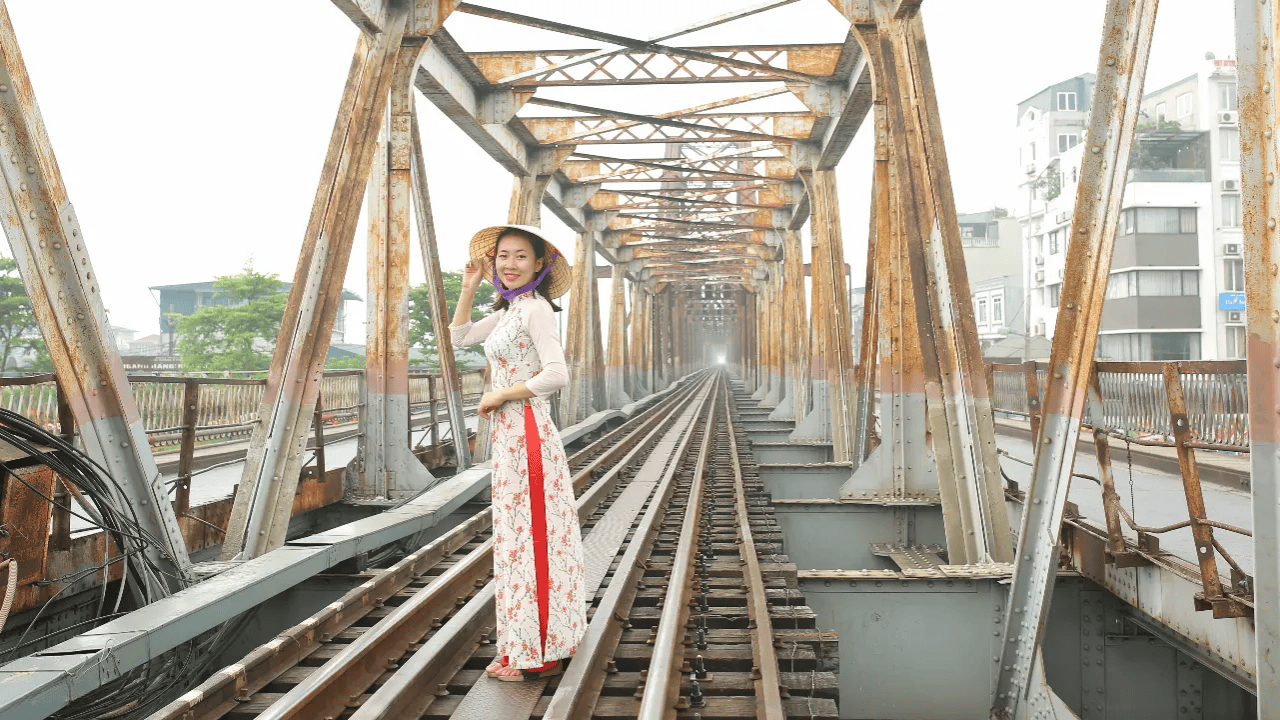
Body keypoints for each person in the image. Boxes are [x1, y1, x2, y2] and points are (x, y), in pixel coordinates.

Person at [448, 224, 587, 682]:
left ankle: (541, 652)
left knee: (533, 539)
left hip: (526, 430)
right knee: (516, 541)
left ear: (540, 264)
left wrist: (502, 393)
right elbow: (461, 337)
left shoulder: (537, 310)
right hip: (510, 436)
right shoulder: (512, 310)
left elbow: (556, 374)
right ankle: (524, 644)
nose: (509, 264)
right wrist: (468, 286)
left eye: (520, 257)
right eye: (503, 256)